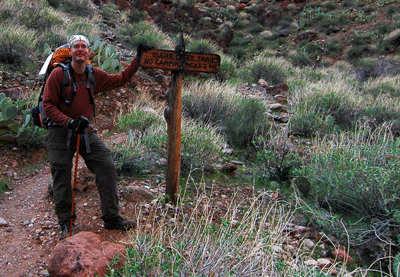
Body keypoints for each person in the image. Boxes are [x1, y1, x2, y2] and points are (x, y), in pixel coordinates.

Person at [43, 34, 151, 239]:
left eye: (84, 46)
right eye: (76, 46)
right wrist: (68, 122)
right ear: (71, 51)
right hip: (59, 130)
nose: (81, 50)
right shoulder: (58, 75)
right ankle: (65, 224)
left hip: (84, 130)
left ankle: (111, 218)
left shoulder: (93, 74)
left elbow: (120, 79)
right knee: (62, 176)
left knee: (106, 165)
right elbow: (47, 105)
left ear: (89, 51)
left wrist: (137, 59)